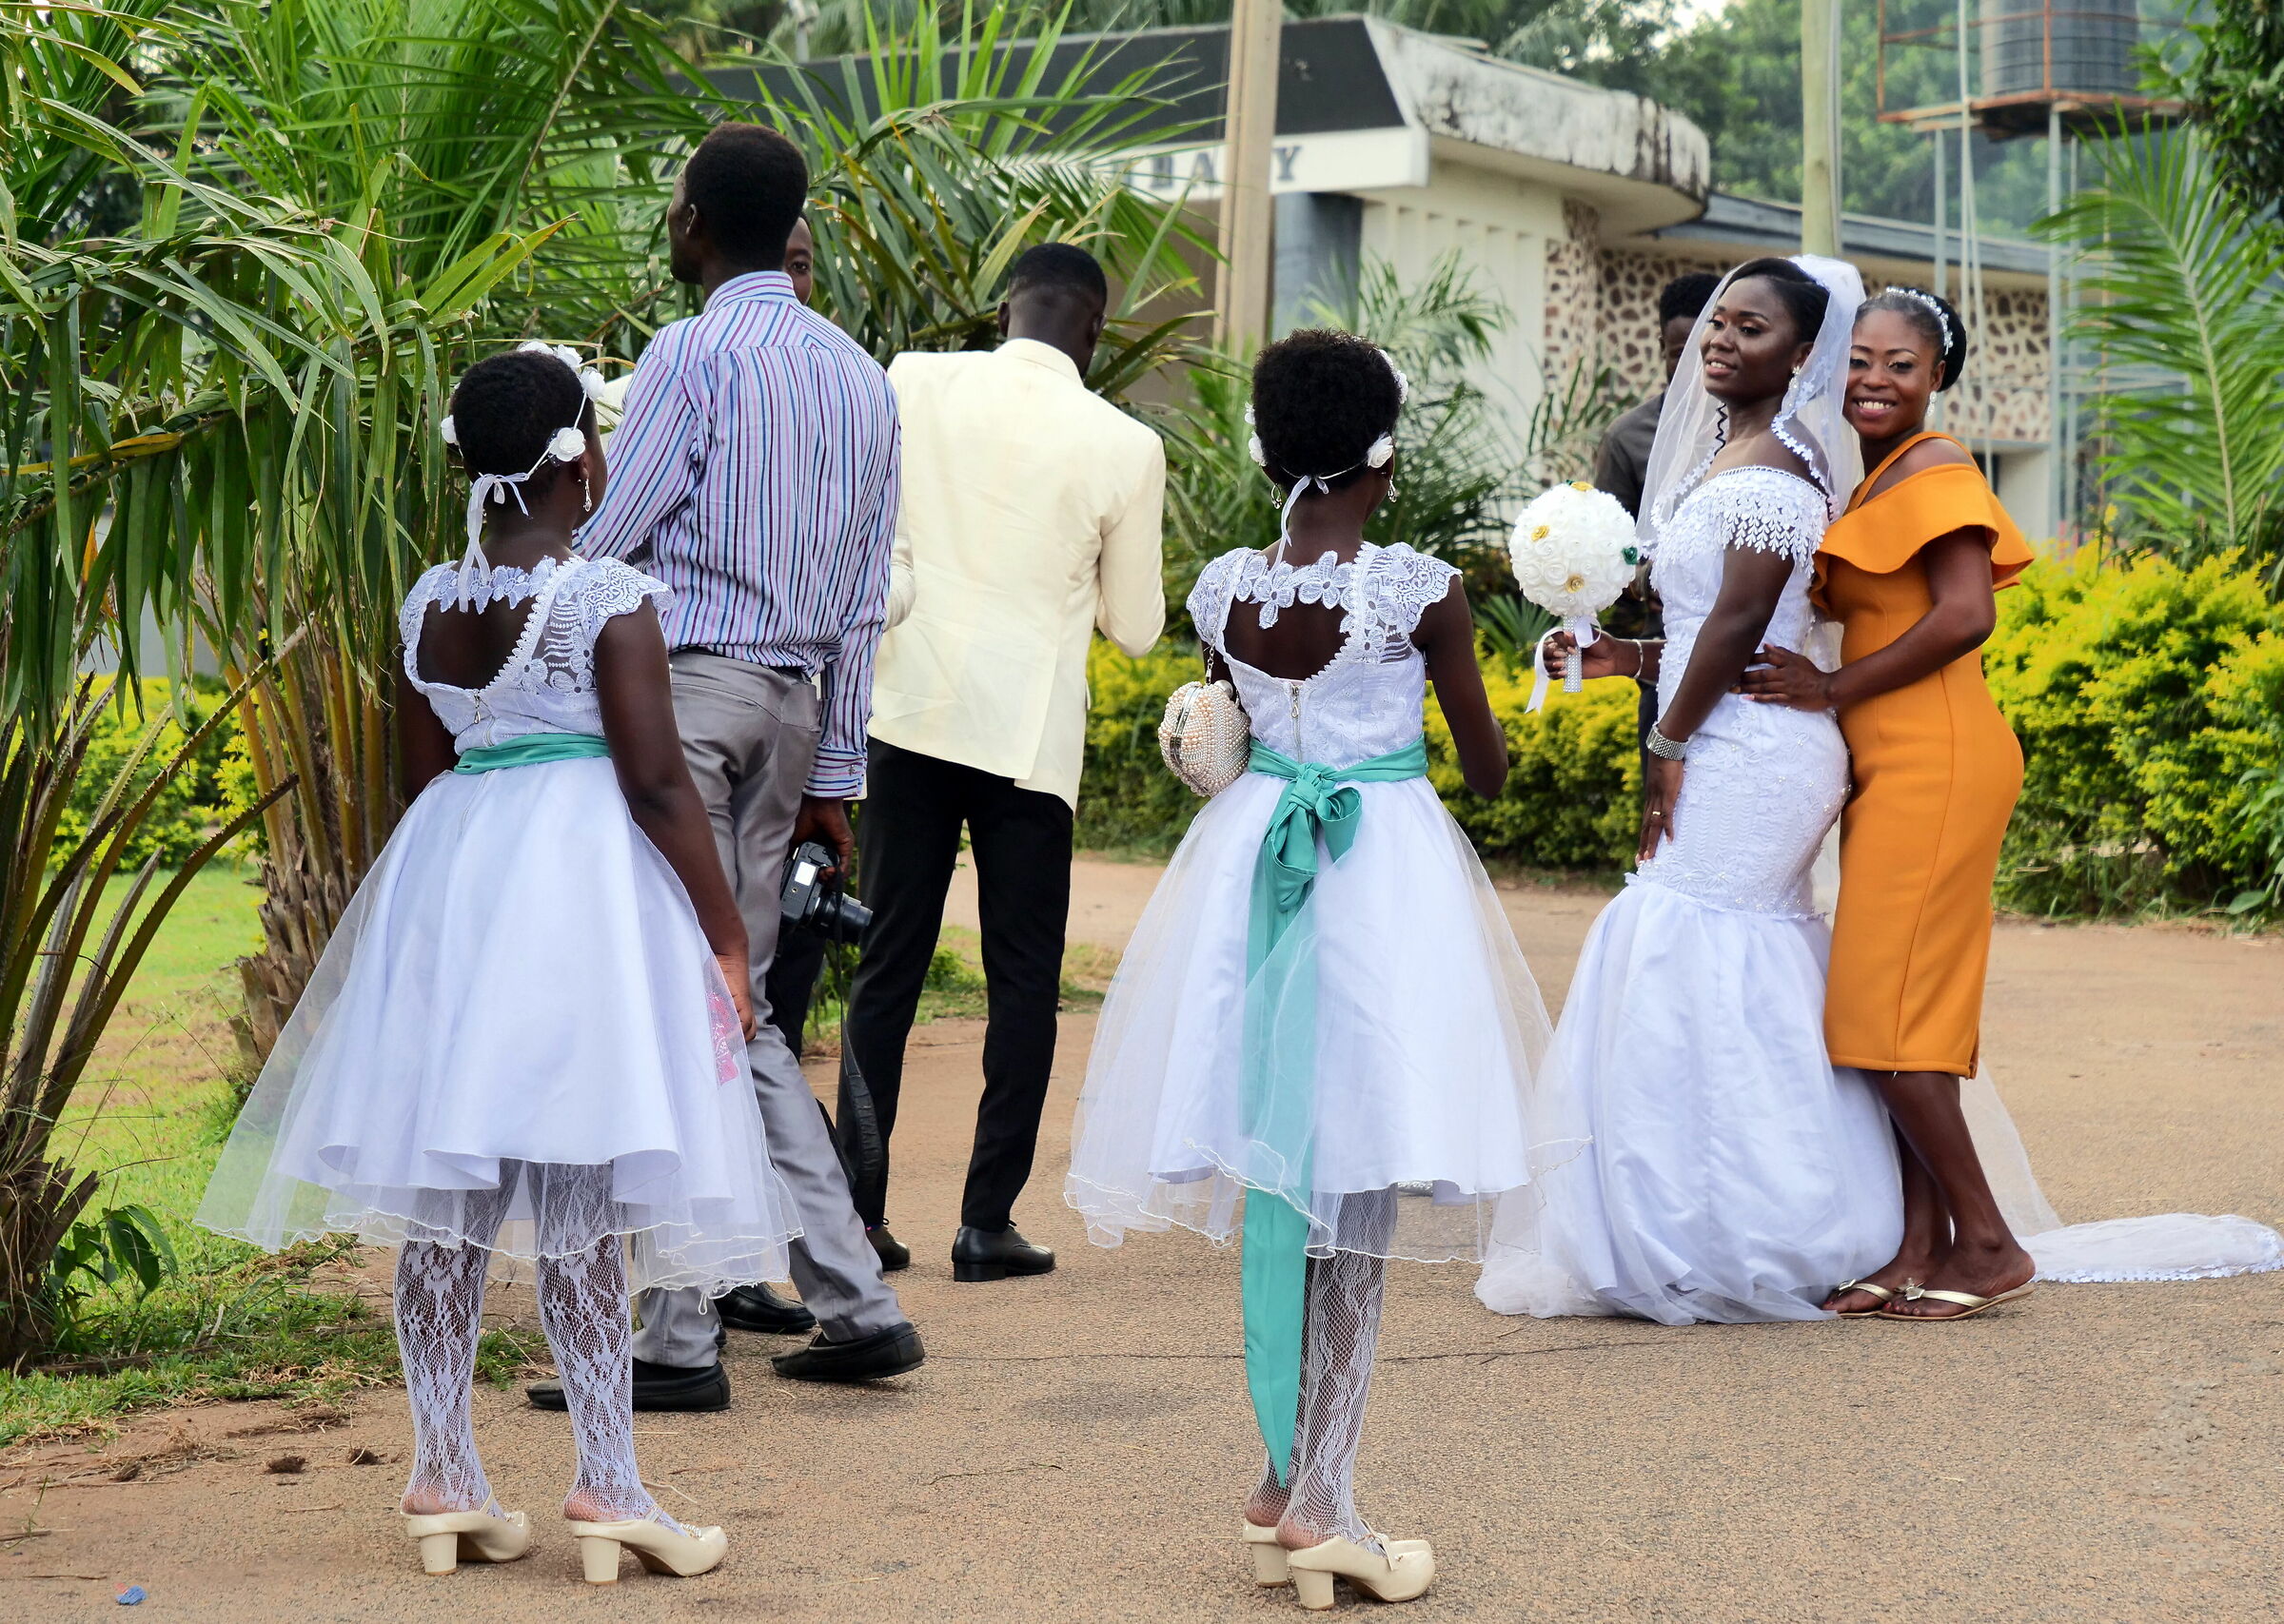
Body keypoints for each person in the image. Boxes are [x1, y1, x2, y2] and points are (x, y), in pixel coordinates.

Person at [197, 343, 794, 1582]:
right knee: (578, 1184)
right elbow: (654, 778)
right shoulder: (602, 598)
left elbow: (431, 771)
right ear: (581, 458)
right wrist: (725, 935)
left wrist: (465, 878)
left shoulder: (430, 604)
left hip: (459, 877)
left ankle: (443, 1472)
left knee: (451, 1186)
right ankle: (610, 1484)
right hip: (577, 888)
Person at [1068, 330, 1569, 1607]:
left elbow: (1222, 723)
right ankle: (1326, 1503)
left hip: (1252, 866)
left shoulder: (1227, 590)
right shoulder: (1421, 591)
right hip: (1376, 873)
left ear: (1266, 448)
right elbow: (1490, 766)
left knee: (1291, 1162)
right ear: (1385, 457)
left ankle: (1281, 1473)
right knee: (1359, 1173)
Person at [1738, 286, 2284, 1312]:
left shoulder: (1938, 469)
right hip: (1897, 765)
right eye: (1860, 360)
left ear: (1937, 377)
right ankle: (1916, 1249)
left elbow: (1964, 615)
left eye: (1900, 364)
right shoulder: (1878, 480)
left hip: (1937, 760)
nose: (1874, 380)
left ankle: (1986, 1241)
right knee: (1901, 1015)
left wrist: (1832, 689)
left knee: (1883, 1013)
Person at [1473, 256, 1913, 1324]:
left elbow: (1734, 625)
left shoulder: (1780, 470)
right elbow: (1698, 628)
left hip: (1754, 754)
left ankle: (1753, 1228)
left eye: (1751, 329)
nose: (1722, 340)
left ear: (1801, 354)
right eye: (1720, 322)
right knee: (1700, 953)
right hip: (1722, 729)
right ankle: (1701, 1216)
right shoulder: (1725, 459)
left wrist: (1668, 739)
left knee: (1694, 942)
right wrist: (1621, 662)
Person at [568, 121, 923, 1404]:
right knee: (739, 1000)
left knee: (697, 1001)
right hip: (790, 706)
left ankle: (679, 1337)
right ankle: (845, 1295)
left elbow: (608, 539)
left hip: (695, 703)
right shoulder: (859, 377)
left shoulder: (691, 353)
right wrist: (837, 772)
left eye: (673, 208)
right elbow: (860, 596)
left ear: (695, 224)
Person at [842, 243, 1166, 1282]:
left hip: (909, 711)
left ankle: (860, 1215)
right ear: (1094, 332)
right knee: (1022, 982)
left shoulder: (912, 380)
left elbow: (871, 530)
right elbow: (1134, 626)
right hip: (1029, 747)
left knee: (885, 966)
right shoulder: (1124, 441)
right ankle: (986, 1223)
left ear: (1005, 310)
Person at [1597, 271, 1722, 755]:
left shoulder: (1771, 434)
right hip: (1665, 657)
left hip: (1761, 655)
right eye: (1678, 354)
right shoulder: (1629, 437)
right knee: (1663, 822)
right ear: (1660, 347)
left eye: (1704, 348)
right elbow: (1611, 555)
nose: (1696, 367)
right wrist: (1639, 576)